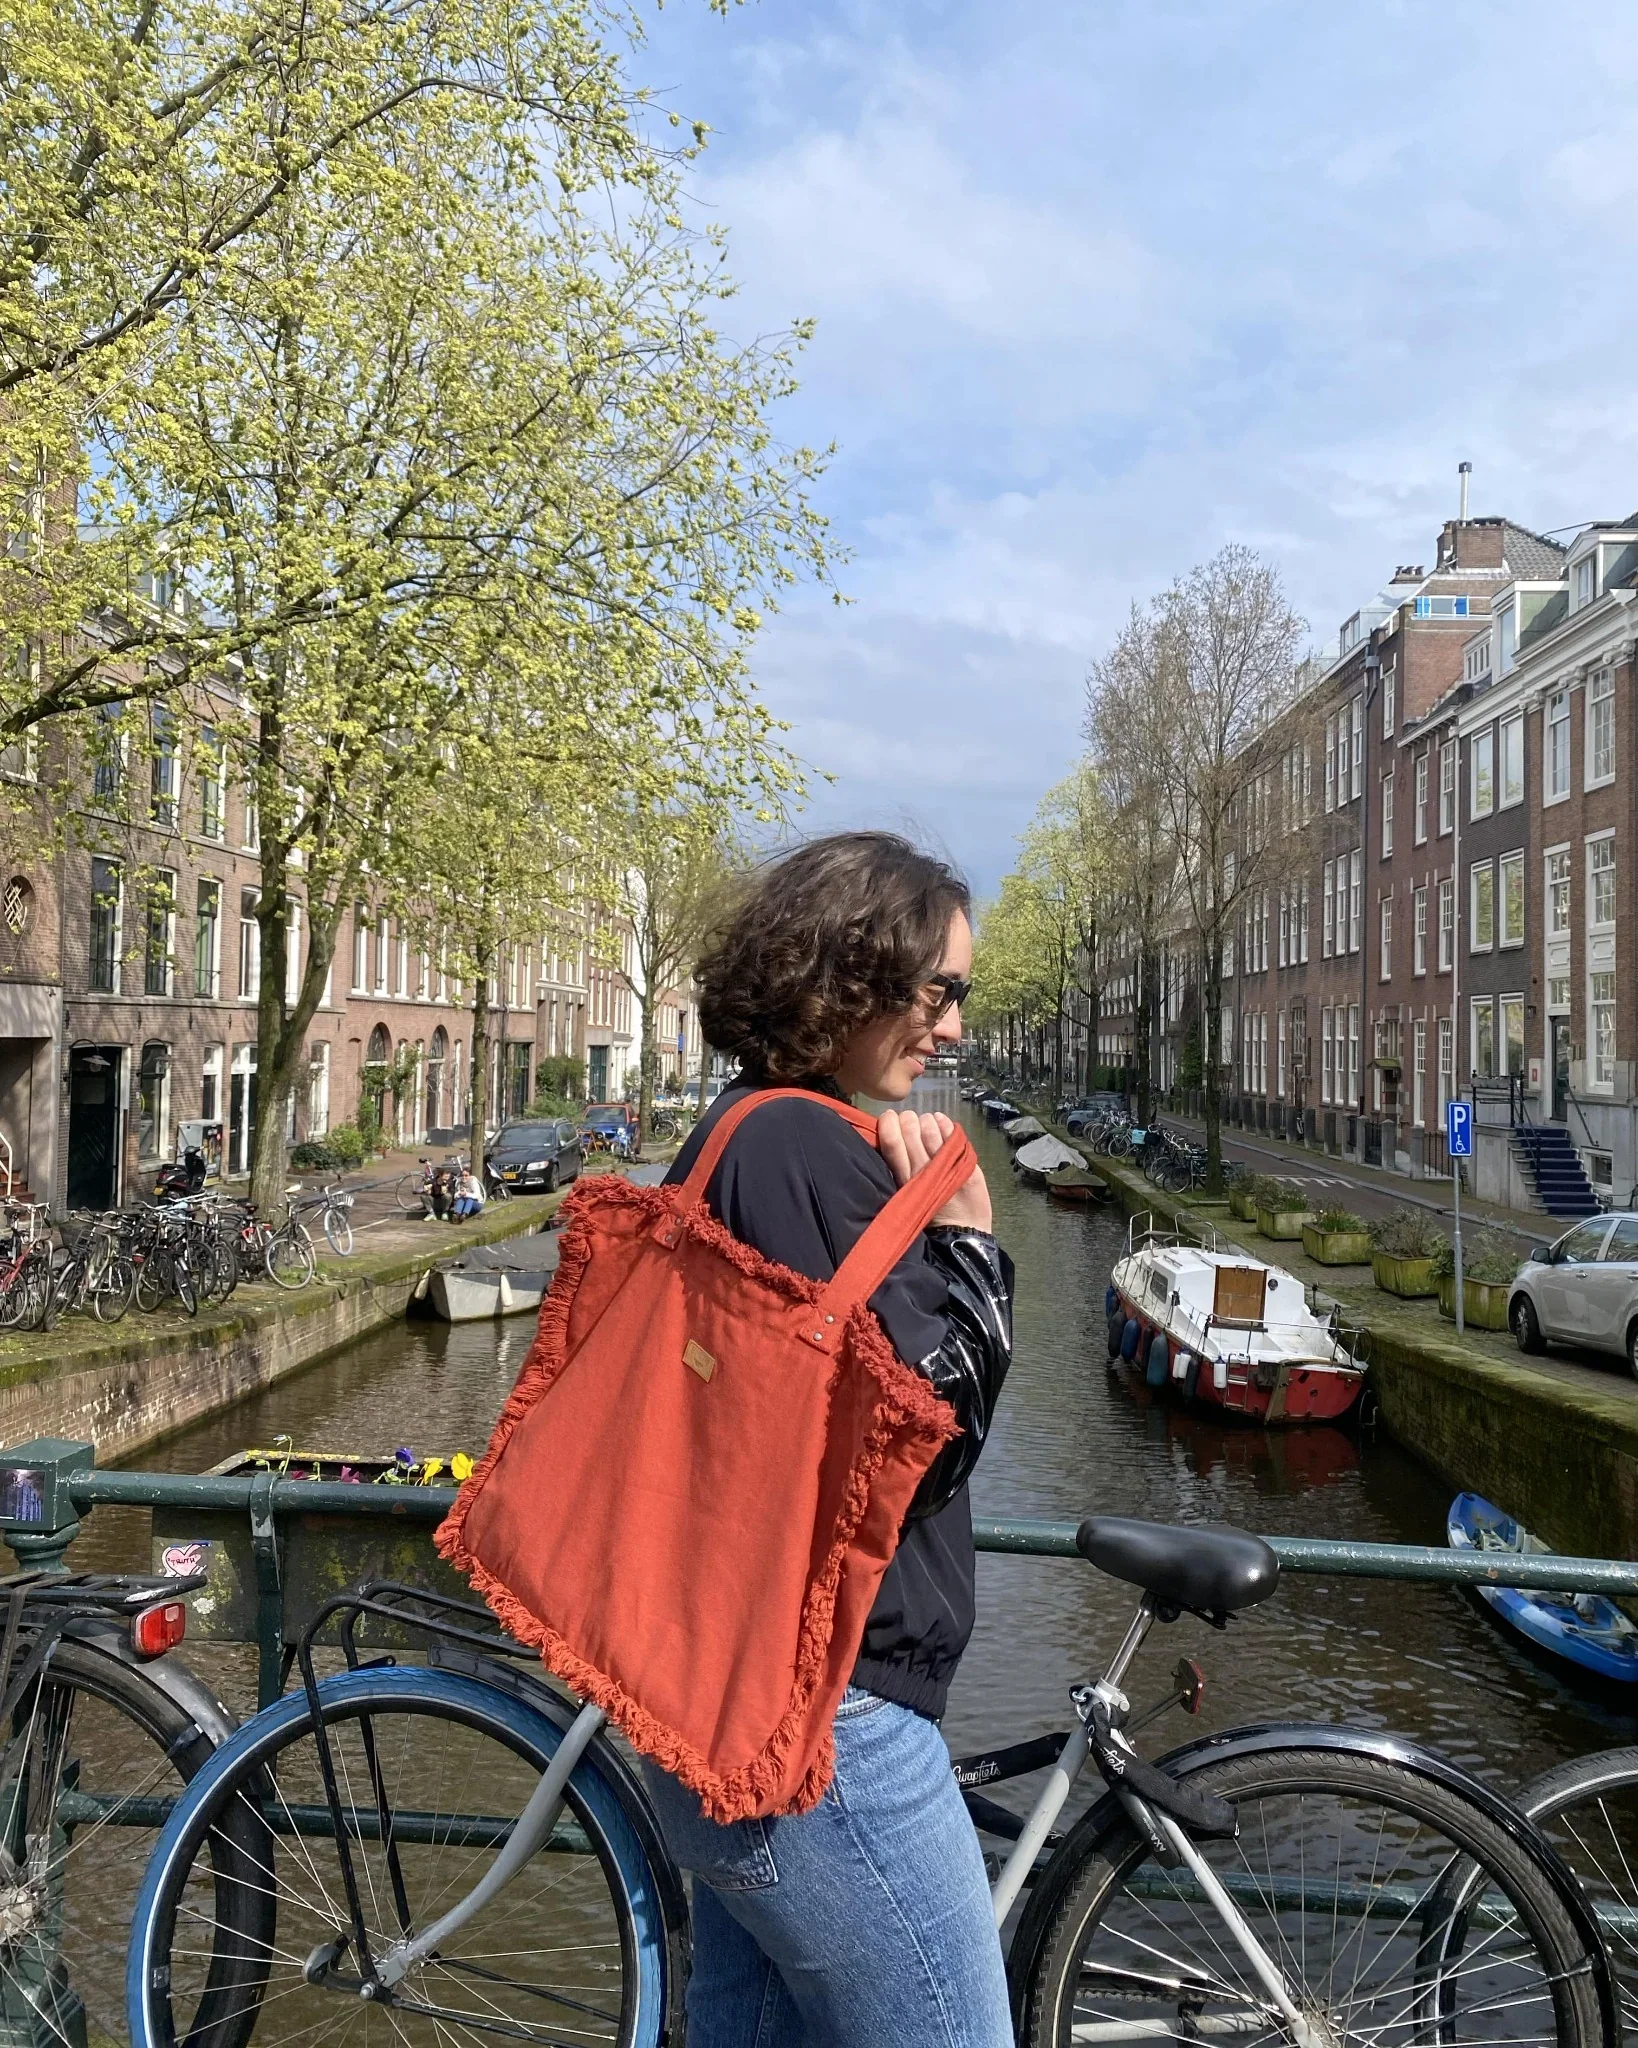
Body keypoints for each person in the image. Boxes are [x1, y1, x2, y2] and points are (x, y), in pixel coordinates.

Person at [641, 831, 1015, 2048]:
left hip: (730, 1700)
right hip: (828, 1731)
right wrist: (971, 1244)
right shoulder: (805, 1152)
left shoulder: (736, 1129)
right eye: (938, 991)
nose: (953, 1026)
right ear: (851, 974)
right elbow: (926, 1445)